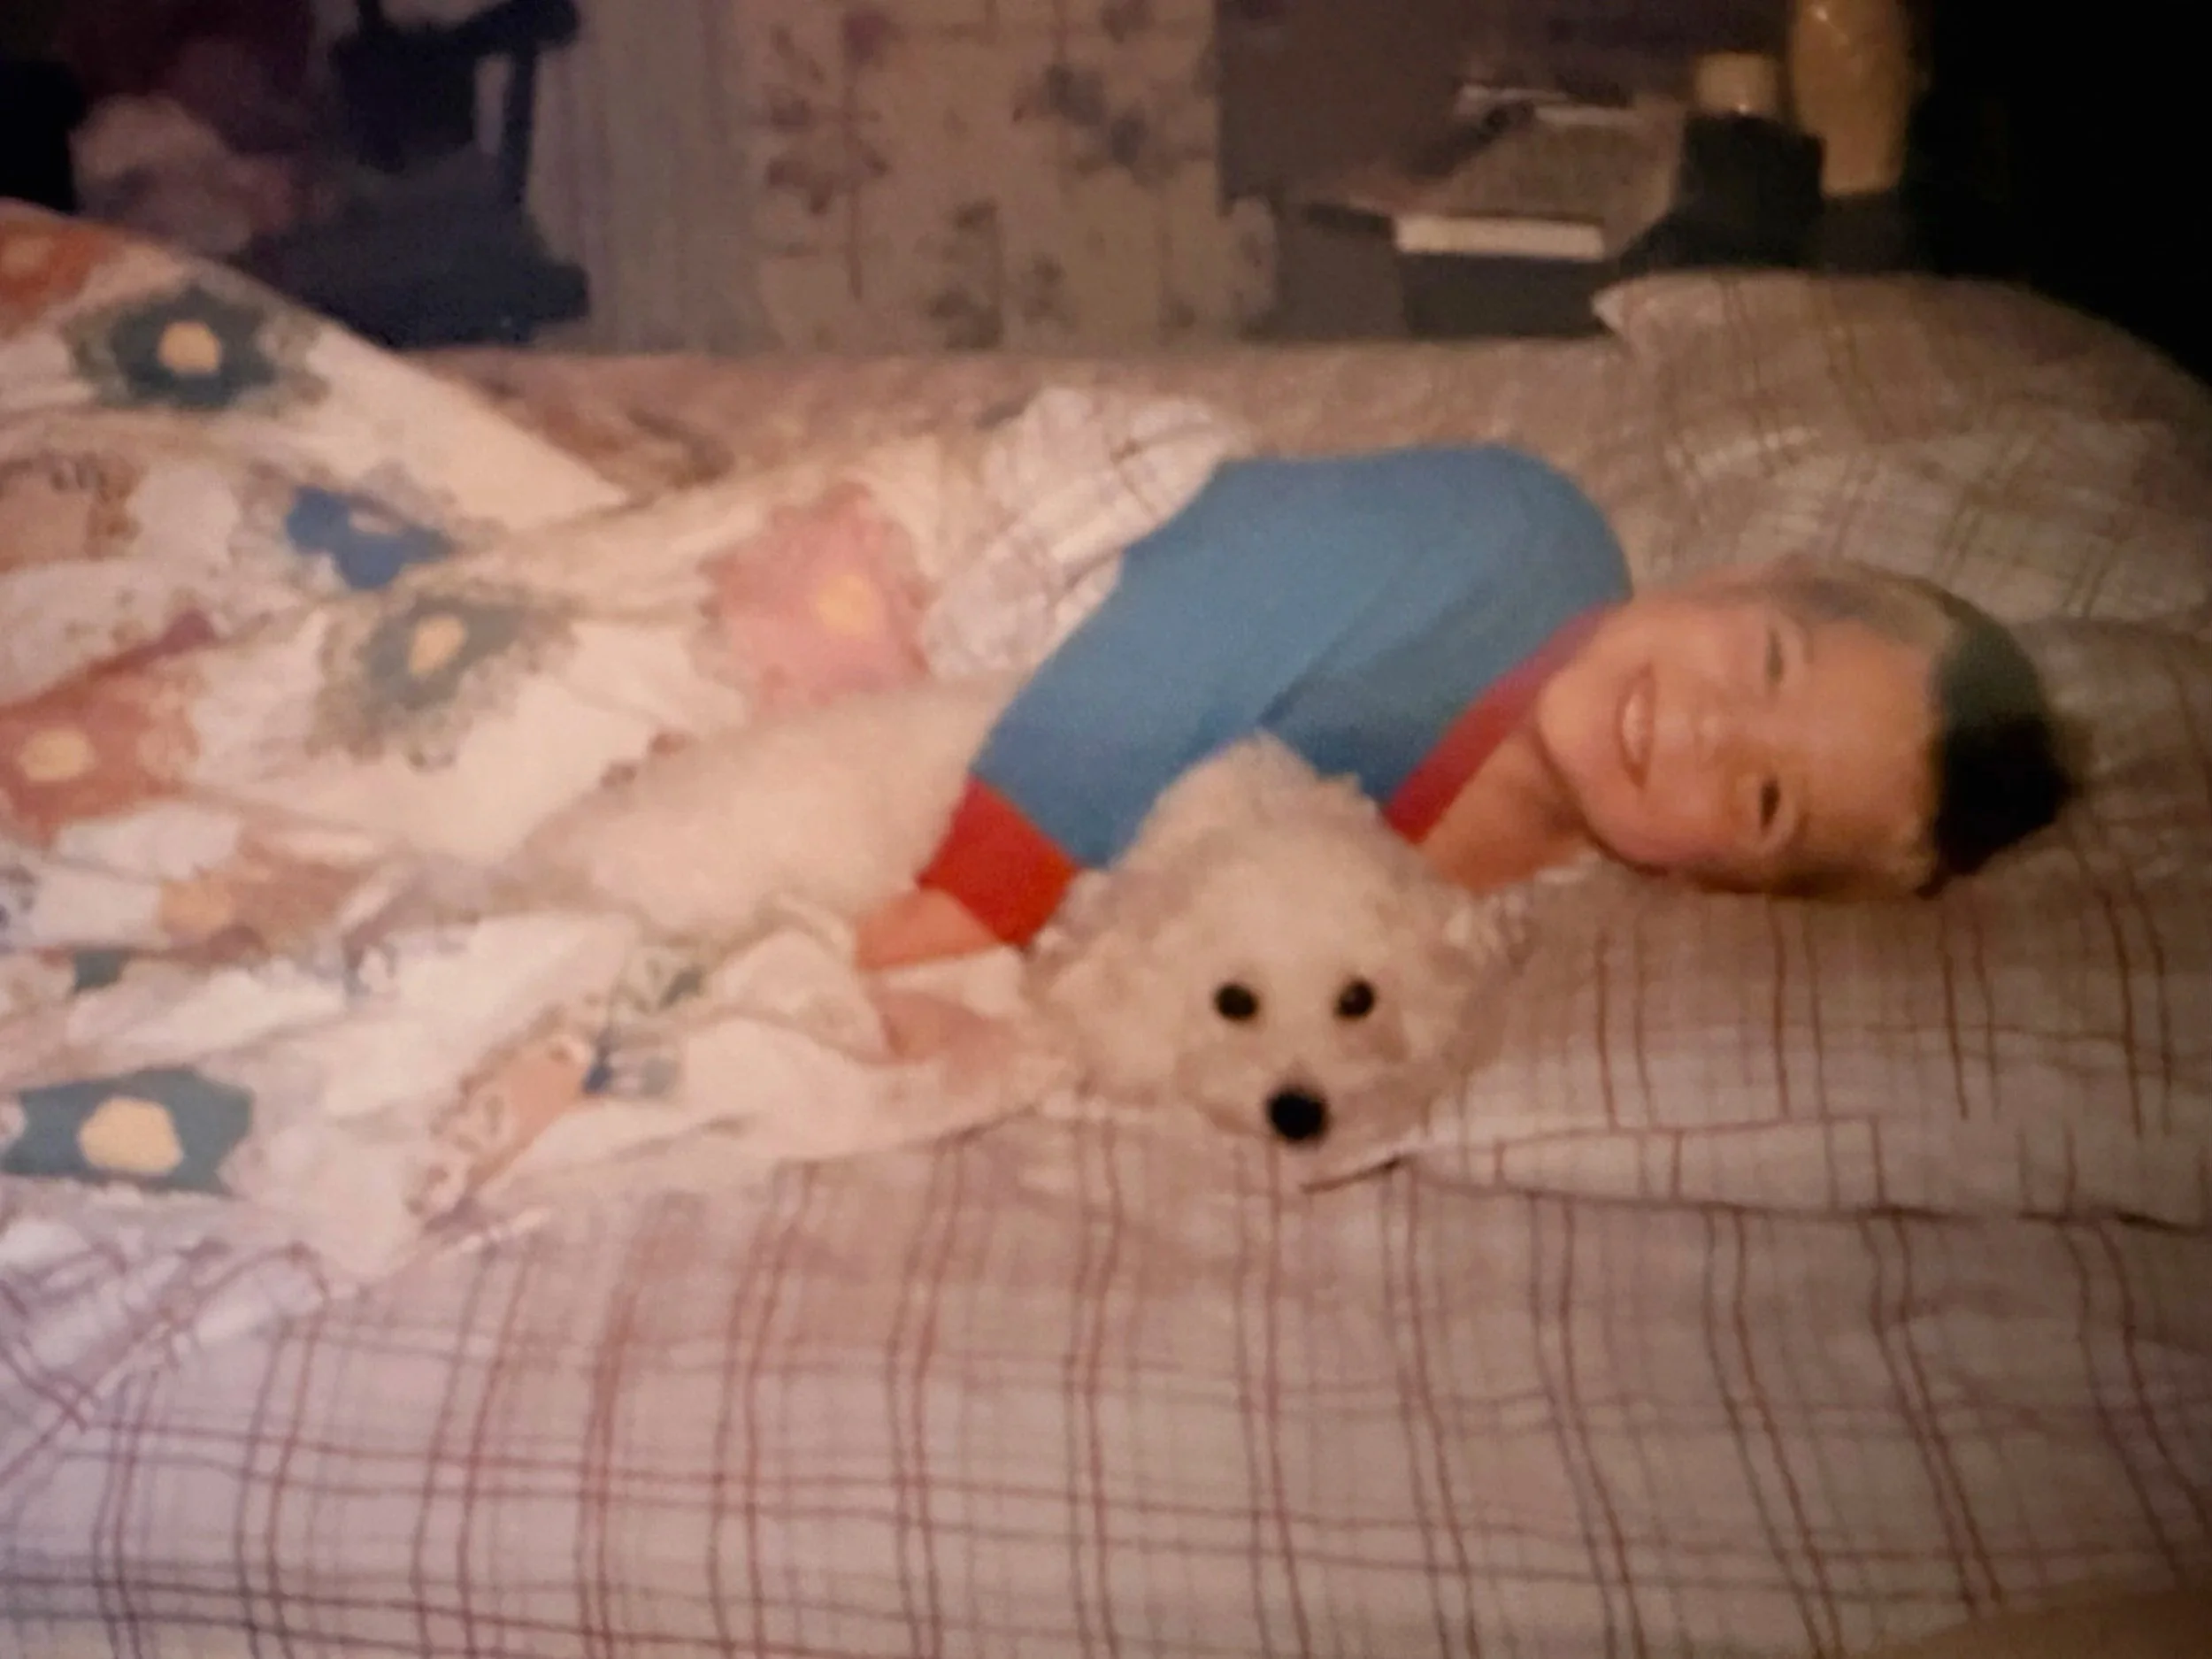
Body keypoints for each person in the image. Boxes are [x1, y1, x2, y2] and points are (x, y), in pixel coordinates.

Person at [855, 443, 2071, 972]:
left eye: (1761, 798)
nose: (1709, 728)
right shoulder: (1523, 539)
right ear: (1736, 577)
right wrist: (967, 901)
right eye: (1764, 662)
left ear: (1723, 881)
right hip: (940, 562)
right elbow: (1189, 629)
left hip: (921, 742)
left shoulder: (1516, 913)